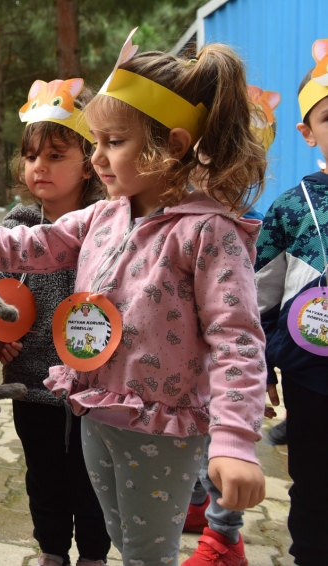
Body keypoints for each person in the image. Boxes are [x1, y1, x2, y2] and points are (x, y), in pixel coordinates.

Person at [0, 31, 269, 566]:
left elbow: (237, 340)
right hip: (94, 411)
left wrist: (234, 442)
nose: (97, 158)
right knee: (120, 537)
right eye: (95, 142)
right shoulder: (103, 215)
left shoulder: (208, 232)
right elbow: (30, 244)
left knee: (146, 552)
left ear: (175, 146)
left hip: (159, 427)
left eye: (113, 142)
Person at [0, 78, 111, 566]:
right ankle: (52, 551)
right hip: (31, 384)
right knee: (43, 475)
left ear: (89, 163)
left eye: (56, 155)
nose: (40, 166)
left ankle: (95, 555)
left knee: (94, 478)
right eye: (33, 155)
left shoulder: (109, 228)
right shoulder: (13, 230)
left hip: (97, 389)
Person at [182, 84, 283, 566]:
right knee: (194, 448)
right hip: (185, 365)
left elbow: (254, 310)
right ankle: (199, 508)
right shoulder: (181, 216)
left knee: (220, 449)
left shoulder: (251, 223)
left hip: (226, 368)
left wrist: (263, 372)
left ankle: (225, 539)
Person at [252, 41, 328, 565]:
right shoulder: (289, 207)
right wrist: (263, 367)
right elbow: (260, 297)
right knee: (315, 483)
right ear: (306, 132)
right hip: (311, 375)